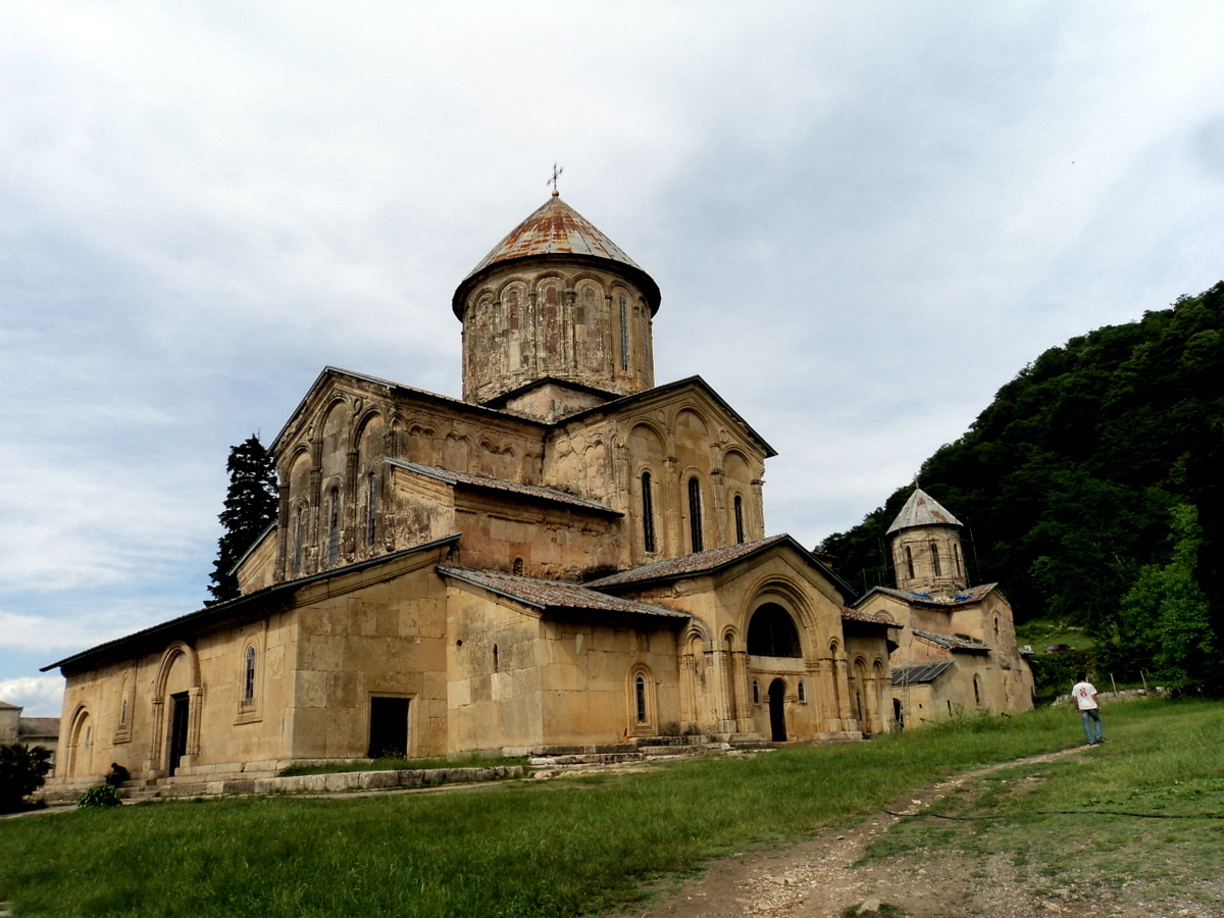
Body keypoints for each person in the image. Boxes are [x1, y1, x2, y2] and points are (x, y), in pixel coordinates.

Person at [1071, 673, 1104, 746]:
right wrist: (1098, 705)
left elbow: (1074, 698)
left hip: (1082, 707)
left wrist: (1077, 708)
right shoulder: (1089, 685)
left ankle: (1090, 740)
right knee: (1097, 720)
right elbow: (1094, 696)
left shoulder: (1075, 687)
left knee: (1086, 723)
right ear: (1085, 678)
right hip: (1091, 705)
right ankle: (1098, 737)